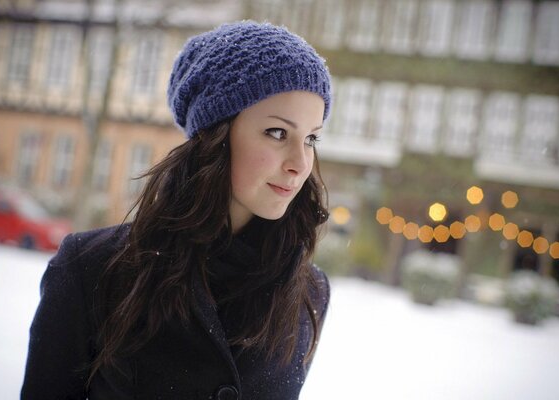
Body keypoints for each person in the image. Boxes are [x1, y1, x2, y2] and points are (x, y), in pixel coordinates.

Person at [21, 20, 332, 400]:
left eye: (312, 138)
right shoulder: (92, 269)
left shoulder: (308, 292)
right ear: (216, 134)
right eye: (278, 133)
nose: (300, 164)